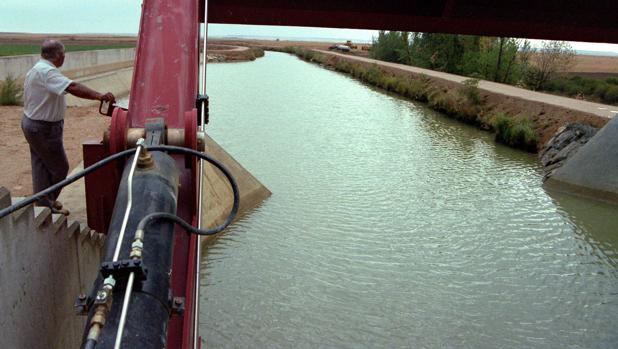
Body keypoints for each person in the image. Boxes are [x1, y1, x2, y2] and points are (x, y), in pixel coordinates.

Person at [21, 39, 115, 215]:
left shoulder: (38, 69)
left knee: (41, 164)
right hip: (43, 128)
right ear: (58, 55)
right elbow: (72, 87)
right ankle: (45, 202)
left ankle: (45, 203)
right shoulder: (47, 72)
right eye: (63, 54)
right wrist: (99, 96)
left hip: (34, 124)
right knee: (60, 167)